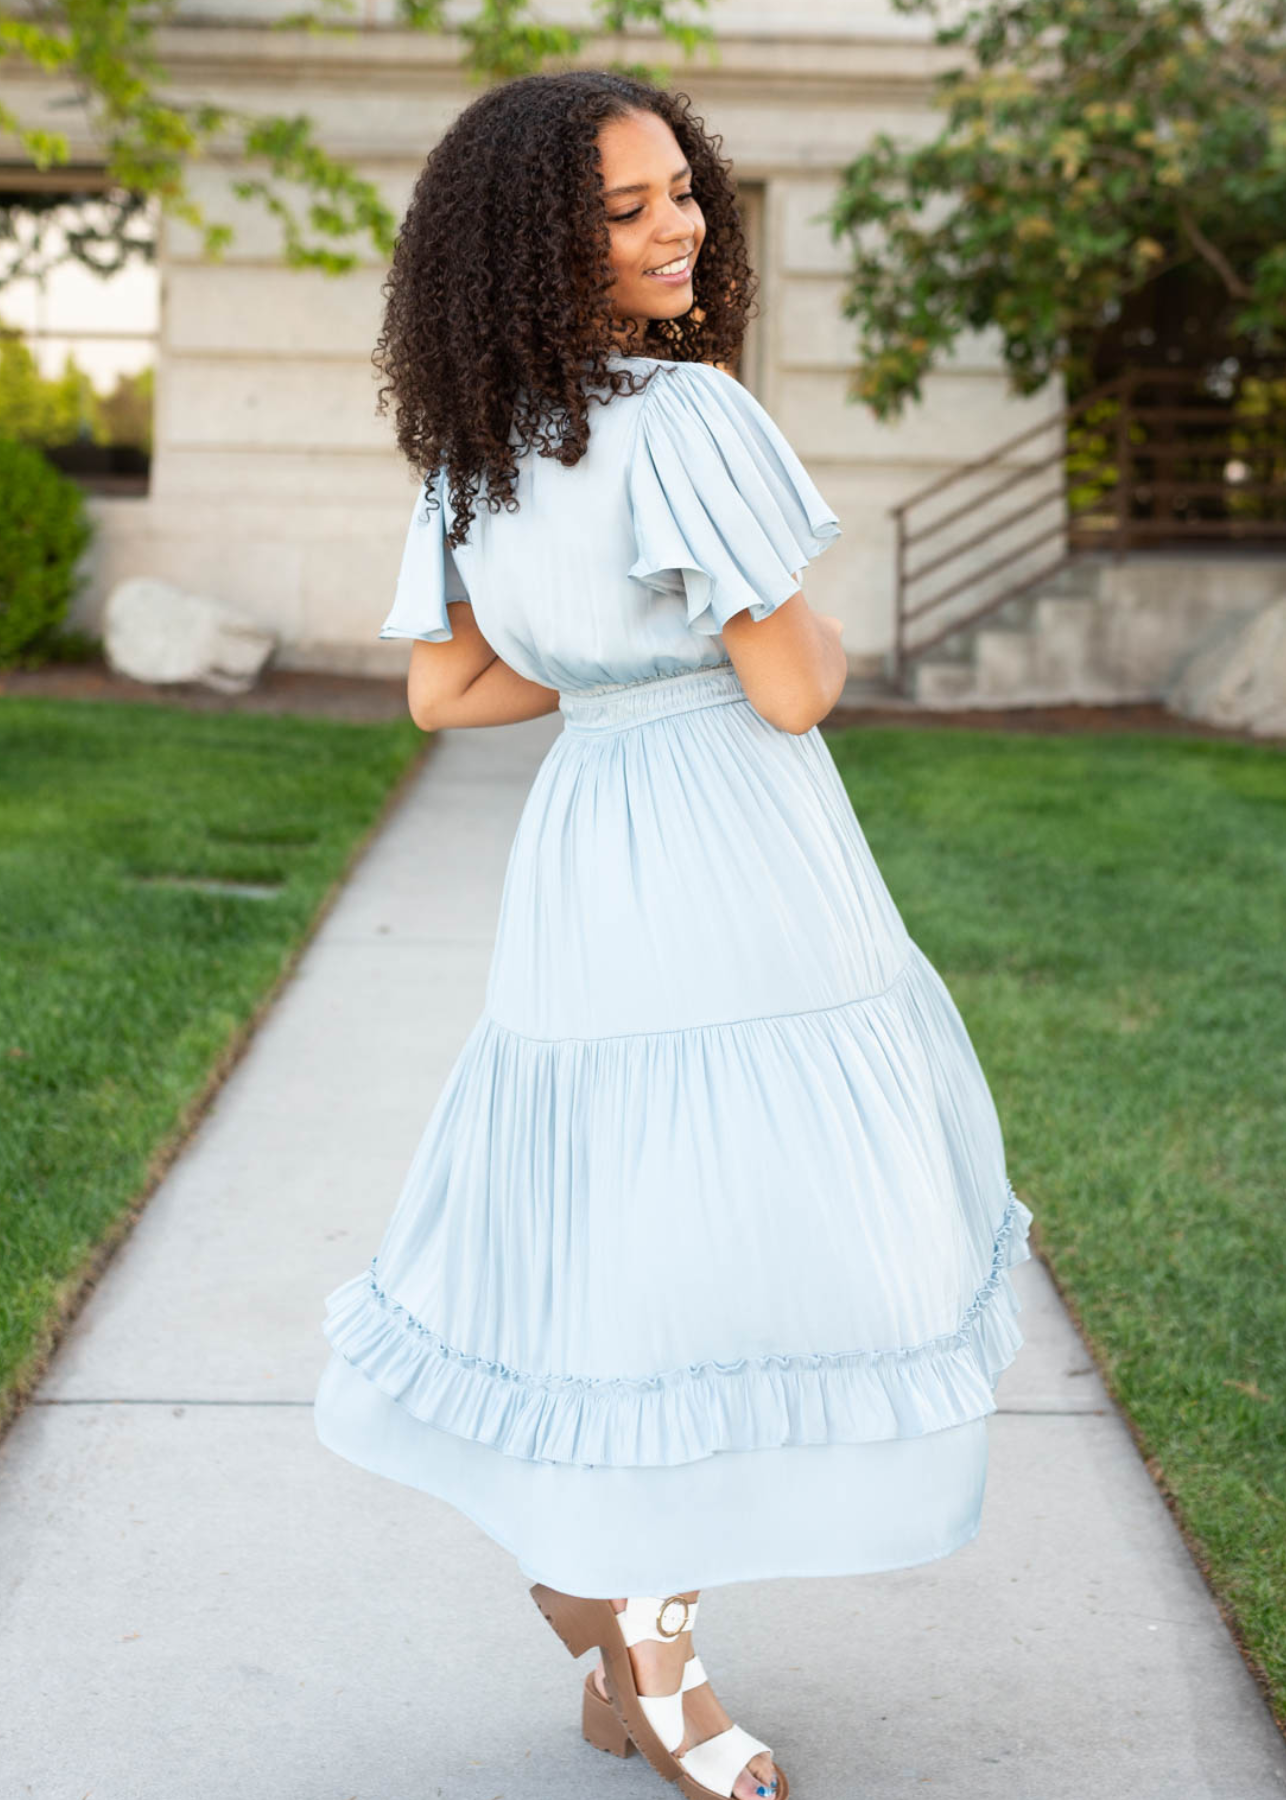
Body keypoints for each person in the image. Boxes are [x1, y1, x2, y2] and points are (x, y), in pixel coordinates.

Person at [313, 68, 1034, 1800]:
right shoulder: (693, 420)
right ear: (540, 248)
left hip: (589, 845)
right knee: (723, 1242)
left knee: (625, 1227)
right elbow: (793, 690)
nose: (675, 229)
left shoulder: (482, 443)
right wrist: (738, 639)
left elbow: (448, 688)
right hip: (732, 838)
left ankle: (614, 1606)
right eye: (622, 211)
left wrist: (607, 663)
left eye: (678, 194)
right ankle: (650, 1651)